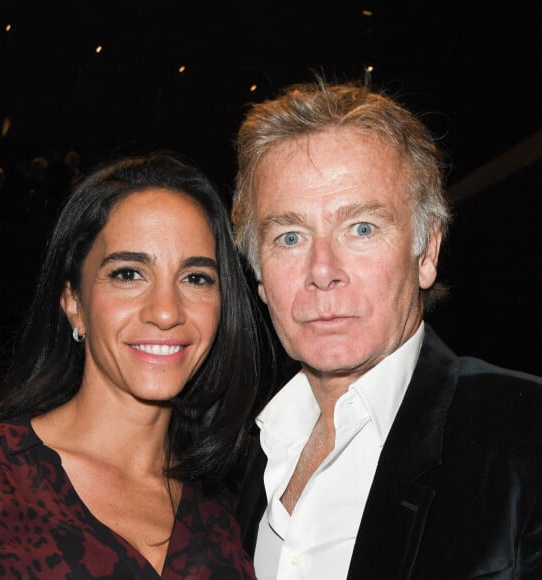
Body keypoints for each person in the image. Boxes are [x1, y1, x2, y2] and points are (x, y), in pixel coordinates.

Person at [231, 76, 542, 579]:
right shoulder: (238, 462)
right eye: (290, 236)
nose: (322, 269)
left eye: (362, 228)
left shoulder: (523, 436)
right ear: (259, 275)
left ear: (427, 252)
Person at [0, 151, 273, 579]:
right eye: (128, 274)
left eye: (196, 278)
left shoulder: (232, 502)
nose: (166, 312)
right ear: (74, 303)